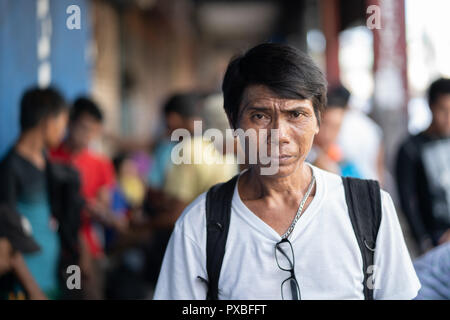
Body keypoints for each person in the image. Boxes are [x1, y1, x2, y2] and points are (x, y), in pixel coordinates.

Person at [153, 43, 420, 300]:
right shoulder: (200, 224)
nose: (279, 135)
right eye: (259, 116)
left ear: (318, 119)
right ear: (233, 120)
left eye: (296, 115)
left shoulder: (369, 209)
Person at [0, 87, 81, 300]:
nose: (63, 131)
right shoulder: (10, 168)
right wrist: (32, 290)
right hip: (25, 288)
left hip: (51, 281)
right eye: (62, 124)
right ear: (48, 121)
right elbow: (6, 236)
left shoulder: (45, 162)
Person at [50, 97, 123, 299]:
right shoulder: (50, 157)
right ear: (69, 123)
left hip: (88, 252)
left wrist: (92, 208)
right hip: (54, 248)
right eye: (83, 128)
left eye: (93, 131)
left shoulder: (101, 164)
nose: (88, 136)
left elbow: (104, 207)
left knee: (83, 293)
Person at [396, 78, 450, 254]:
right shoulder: (411, 148)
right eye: (443, 110)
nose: (448, 117)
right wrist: (424, 240)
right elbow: (407, 199)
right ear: (431, 106)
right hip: (433, 240)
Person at [308, 85, 361, 178]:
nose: (327, 134)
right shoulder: (302, 158)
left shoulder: (345, 161)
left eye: (335, 127)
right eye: (324, 124)